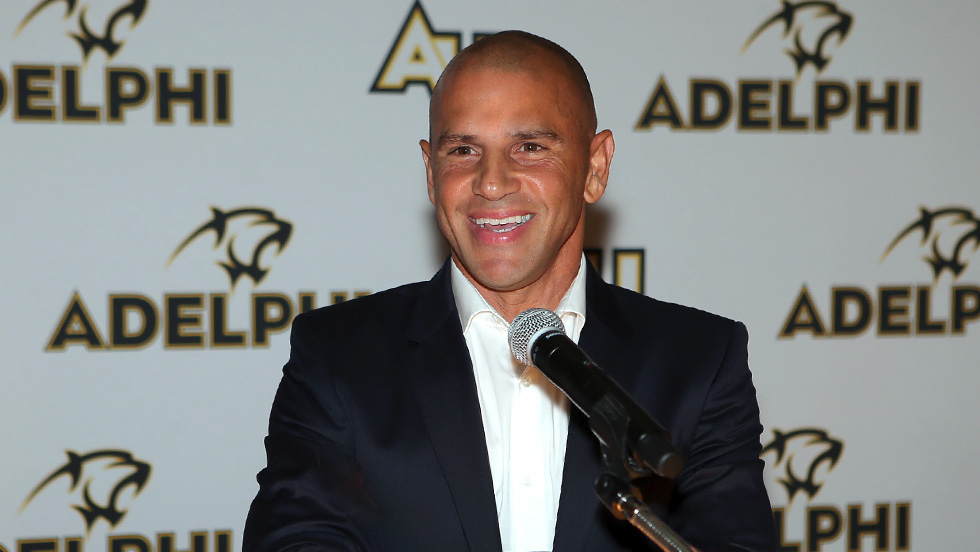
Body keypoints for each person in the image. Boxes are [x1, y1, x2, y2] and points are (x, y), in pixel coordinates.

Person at [244, 31, 776, 552]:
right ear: (431, 174)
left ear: (595, 167)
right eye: (463, 150)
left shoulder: (699, 361)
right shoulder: (338, 357)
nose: (492, 182)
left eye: (529, 147)